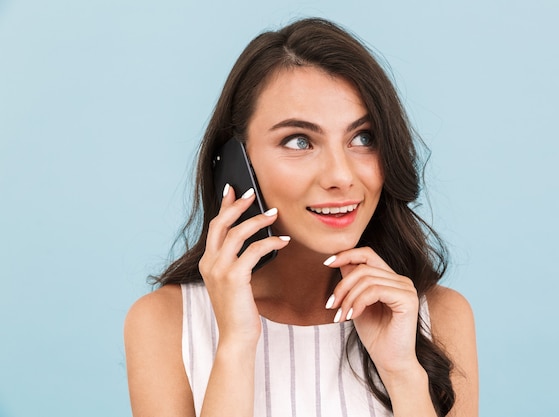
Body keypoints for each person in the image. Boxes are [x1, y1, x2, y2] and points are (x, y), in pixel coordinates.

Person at [124, 17, 478, 417]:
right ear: (238, 165)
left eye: (363, 138)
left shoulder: (439, 316)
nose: (341, 176)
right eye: (299, 141)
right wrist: (237, 344)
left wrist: (402, 374)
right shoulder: (165, 323)